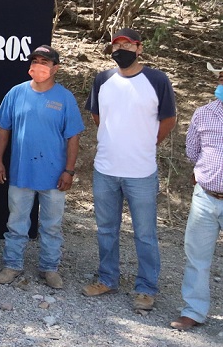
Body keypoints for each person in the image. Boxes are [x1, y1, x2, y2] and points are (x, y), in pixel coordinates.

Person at [82, 28, 176, 311]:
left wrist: (147, 143)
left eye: (126, 44)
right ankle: (108, 279)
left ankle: (146, 288)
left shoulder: (157, 80)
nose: (120, 49)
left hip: (141, 172)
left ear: (139, 48)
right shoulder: (103, 79)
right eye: (116, 45)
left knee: (145, 233)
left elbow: (168, 120)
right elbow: (98, 116)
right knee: (106, 230)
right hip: (106, 169)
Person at [0, 45, 85, 289]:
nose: (39, 66)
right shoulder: (16, 93)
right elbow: (4, 129)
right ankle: (12, 264)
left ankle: (49, 268)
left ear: (56, 68)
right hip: (21, 172)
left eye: (45, 61)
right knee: (17, 222)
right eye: (35, 60)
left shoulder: (64, 98)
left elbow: (73, 136)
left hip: (55, 175)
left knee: (52, 225)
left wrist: (69, 170)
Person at [170, 62, 223, 331]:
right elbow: (193, 152)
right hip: (206, 196)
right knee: (197, 257)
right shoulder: (203, 114)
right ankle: (193, 311)